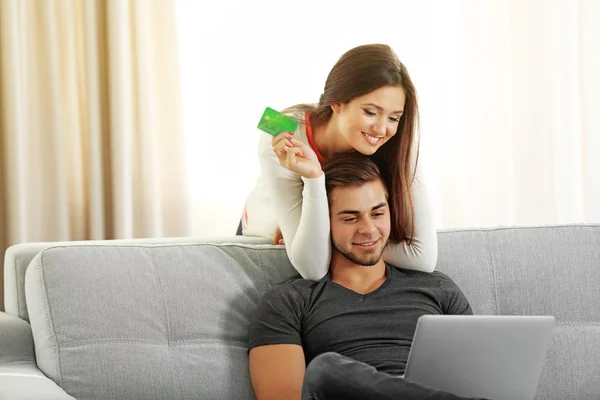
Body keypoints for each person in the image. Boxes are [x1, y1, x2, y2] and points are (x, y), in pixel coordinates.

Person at [247, 153, 488, 400]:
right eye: (350, 218)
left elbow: (478, 377)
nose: (369, 229)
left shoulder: (438, 288)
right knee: (326, 370)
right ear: (322, 222)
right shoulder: (288, 302)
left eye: (377, 213)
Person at [241, 43, 437, 281]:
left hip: (337, 227)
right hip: (267, 225)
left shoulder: (398, 143)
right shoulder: (279, 125)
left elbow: (423, 257)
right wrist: (313, 178)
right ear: (337, 102)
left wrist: (326, 235)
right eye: (370, 112)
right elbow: (313, 268)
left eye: (394, 117)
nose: (382, 129)